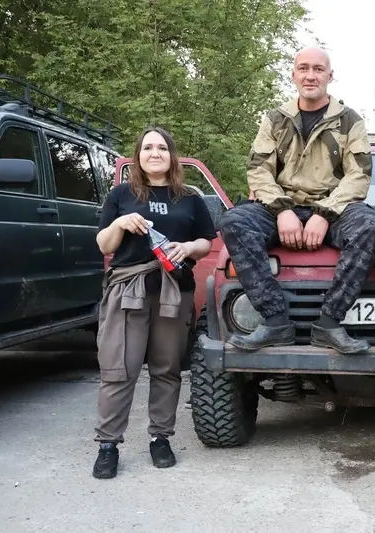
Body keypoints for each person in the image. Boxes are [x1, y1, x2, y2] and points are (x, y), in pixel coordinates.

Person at [218, 47, 375, 354]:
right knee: (233, 221)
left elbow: (358, 175)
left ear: (330, 76)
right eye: (304, 68)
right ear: (293, 74)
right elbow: (258, 170)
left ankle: (330, 323)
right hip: (281, 207)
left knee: (372, 224)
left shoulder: (351, 122)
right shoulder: (274, 119)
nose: (311, 76)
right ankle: (275, 321)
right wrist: (282, 211)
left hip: (335, 210)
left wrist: (325, 213)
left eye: (318, 69)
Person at [92, 126, 217, 479]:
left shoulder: (189, 197)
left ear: (171, 156)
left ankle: (160, 439)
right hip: (128, 289)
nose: (155, 153)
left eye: (162, 147)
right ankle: (107, 445)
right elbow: (104, 244)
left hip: (175, 290)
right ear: (138, 156)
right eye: (147, 147)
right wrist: (120, 222)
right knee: (120, 369)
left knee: (167, 369)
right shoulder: (120, 194)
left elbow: (207, 241)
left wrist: (189, 248)